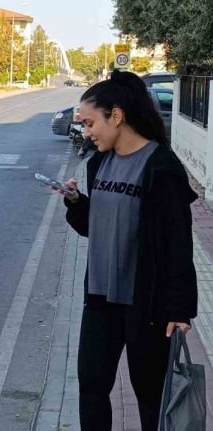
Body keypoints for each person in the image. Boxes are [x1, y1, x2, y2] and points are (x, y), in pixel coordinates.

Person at [52, 69, 198, 431]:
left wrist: (181, 309)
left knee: (149, 398)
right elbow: (94, 227)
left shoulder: (161, 166)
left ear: (116, 116)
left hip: (145, 305)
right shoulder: (99, 163)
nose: (86, 132)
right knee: (91, 388)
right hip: (100, 300)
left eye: (89, 123)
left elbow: (178, 244)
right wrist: (75, 202)